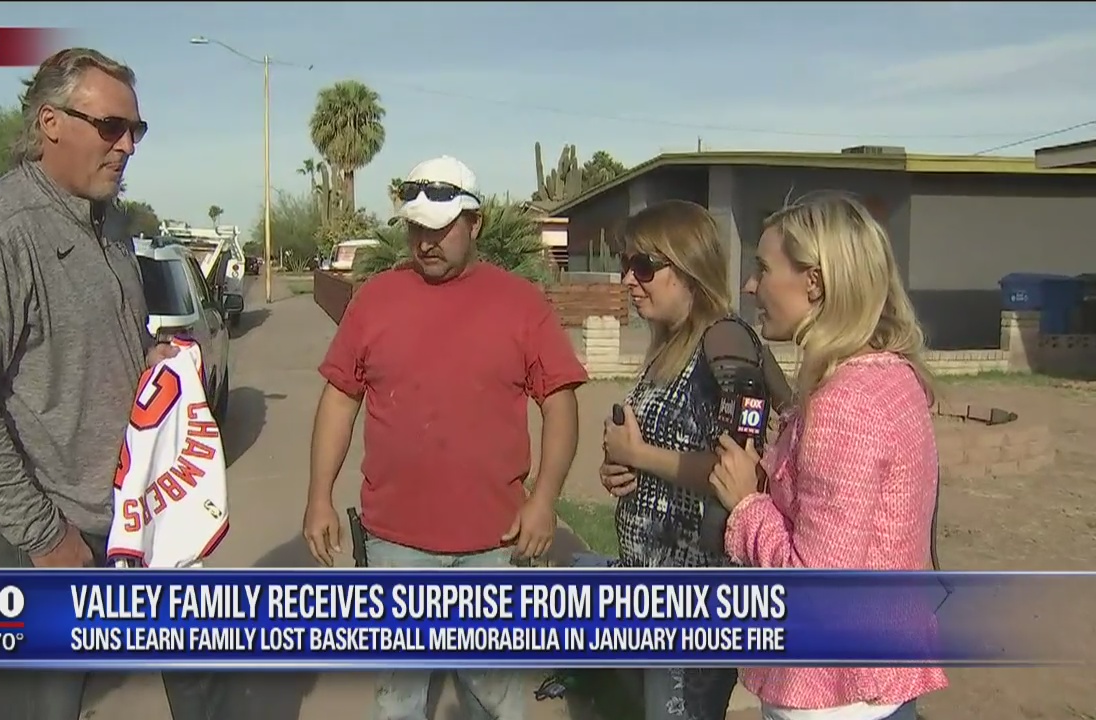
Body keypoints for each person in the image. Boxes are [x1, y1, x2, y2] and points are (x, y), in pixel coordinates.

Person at [0, 47, 235, 720]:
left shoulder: (107, 225)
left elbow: (93, 339)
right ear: (51, 122)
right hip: (43, 525)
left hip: (132, 511)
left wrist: (154, 358)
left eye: (136, 131)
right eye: (111, 127)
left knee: (199, 669)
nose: (126, 146)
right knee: (46, 701)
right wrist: (44, 536)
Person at [303, 155, 588, 720]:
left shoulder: (521, 304)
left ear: (474, 224)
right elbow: (340, 398)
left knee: (498, 697)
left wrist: (546, 499)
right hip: (394, 546)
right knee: (399, 701)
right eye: (416, 229)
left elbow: (560, 402)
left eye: (440, 229)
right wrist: (318, 496)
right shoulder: (376, 300)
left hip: (495, 544)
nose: (426, 242)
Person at [709, 191, 948, 720]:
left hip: (833, 696)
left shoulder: (845, 405)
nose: (751, 286)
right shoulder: (889, 377)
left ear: (813, 282)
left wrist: (747, 503)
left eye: (763, 269)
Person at [598, 200, 787, 720]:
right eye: (625, 265)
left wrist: (639, 453)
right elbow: (659, 453)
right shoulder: (668, 347)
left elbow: (737, 473)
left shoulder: (722, 346)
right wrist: (621, 466)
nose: (629, 281)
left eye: (644, 267)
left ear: (689, 267)